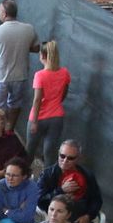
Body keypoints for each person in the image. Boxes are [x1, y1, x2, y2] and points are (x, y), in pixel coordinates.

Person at [37, 140, 104, 223]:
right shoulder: (47, 174)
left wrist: (88, 216)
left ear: (78, 158)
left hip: (80, 220)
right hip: (55, 220)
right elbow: (40, 201)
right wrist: (60, 190)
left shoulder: (87, 175)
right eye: (62, 156)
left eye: (70, 158)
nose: (65, 160)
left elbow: (97, 200)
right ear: (58, 154)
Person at [0, 0, 39, 129]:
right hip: (20, 76)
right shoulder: (28, 29)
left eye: (0, 11)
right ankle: (9, 129)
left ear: (4, 14)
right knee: (15, 105)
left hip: (0, 77)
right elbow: (36, 48)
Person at [25, 39, 70, 169]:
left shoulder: (40, 75)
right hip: (57, 116)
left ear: (43, 56)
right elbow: (64, 93)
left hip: (39, 118)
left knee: (30, 150)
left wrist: (34, 121)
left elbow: (37, 99)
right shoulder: (64, 73)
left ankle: (24, 175)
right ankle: (48, 180)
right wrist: (56, 103)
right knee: (50, 152)